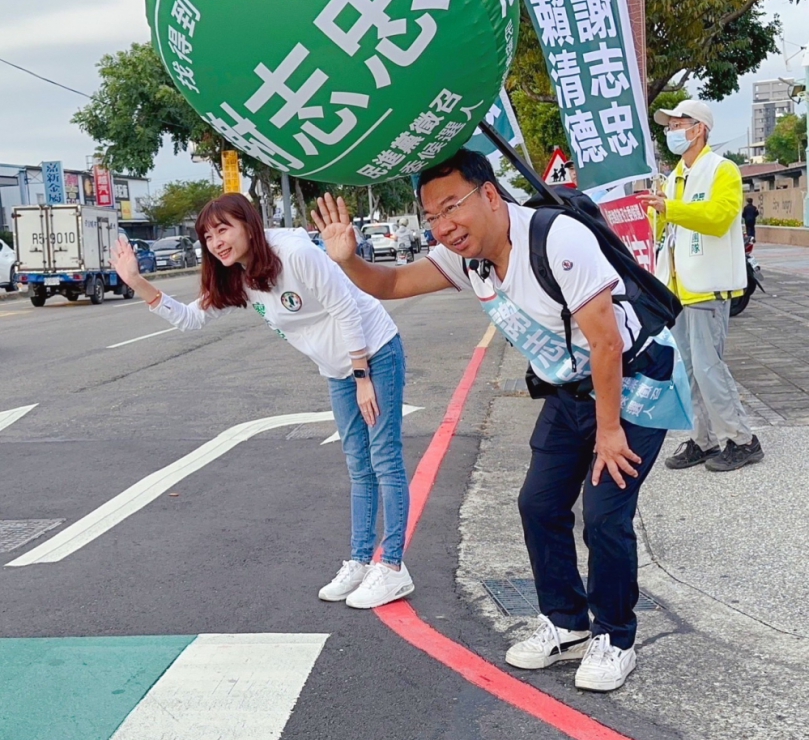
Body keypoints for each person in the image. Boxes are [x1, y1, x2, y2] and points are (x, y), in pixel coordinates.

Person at [313, 148, 689, 693]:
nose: (443, 227)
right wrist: (347, 258)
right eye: (431, 216)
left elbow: (606, 342)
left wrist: (610, 432)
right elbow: (390, 286)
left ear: (489, 195)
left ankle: (615, 636)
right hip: (570, 388)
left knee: (605, 513)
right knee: (538, 504)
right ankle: (566, 625)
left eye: (451, 207)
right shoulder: (468, 256)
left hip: (634, 383)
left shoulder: (557, 238)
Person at [110, 193, 414, 609]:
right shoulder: (238, 274)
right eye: (208, 236)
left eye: (223, 229)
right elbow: (191, 319)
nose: (216, 242)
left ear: (248, 224)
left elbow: (346, 307)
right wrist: (137, 282)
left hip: (373, 351)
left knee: (384, 458)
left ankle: (393, 567)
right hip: (336, 367)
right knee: (358, 465)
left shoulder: (295, 253)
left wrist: (362, 375)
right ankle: (361, 560)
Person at [639, 99, 764, 472]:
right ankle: (703, 439)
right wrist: (655, 212)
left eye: (679, 124)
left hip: (709, 286)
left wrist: (669, 209)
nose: (672, 131)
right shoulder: (674, 176)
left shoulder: (721, 170)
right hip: (677, 290)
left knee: (709, 368)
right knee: (688, 370)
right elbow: (664, 230)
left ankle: (743, 440)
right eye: (670, 125)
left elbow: (719, 217)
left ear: (700, 129)